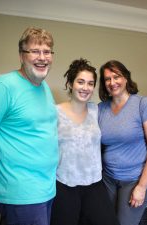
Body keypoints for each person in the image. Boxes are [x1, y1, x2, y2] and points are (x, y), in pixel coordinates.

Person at [0, 27, 59, 225]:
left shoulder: (44, 87)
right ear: (21, 56)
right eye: (35, 51)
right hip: (20, 194)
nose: (42, 57)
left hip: (45, 189)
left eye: (47, 51)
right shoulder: (4, 87)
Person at [50, 58, 120, 225]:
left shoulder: (96, 110)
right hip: (64, 184)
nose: (85, 87)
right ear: (70, 83)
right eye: (80, 82)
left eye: (90, 83)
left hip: (94, 183)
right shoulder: (54, 112)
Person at [98, 60, 147, 225]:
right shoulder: (101, 108)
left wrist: (141, 187)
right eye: (107, 79)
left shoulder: (143, 104)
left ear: (126, 78)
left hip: (134, 179)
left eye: (116, 76)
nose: (112, 82)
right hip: (108, 179)